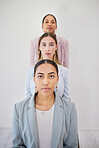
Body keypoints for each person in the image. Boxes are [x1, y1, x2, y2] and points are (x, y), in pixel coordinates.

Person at [12, 59, 78, 148]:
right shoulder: (19, 108)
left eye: (51, 76)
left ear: (57, 79)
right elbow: (17, 145)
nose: (46, 82)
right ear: (34, 79)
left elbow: (71, 145)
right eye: (40, 76)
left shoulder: (70, 108)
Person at [25, 33, 69, 100]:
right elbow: (27, 98)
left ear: (56, 47)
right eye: (44, 45)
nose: (47, 48)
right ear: (39, 47)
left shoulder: (64, 71)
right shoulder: (31, 70)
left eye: (51, 45)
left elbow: (66, 99)